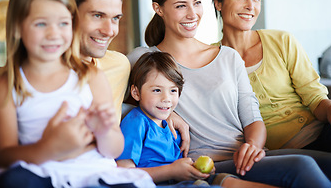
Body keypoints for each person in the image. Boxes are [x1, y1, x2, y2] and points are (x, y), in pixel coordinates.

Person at [126, 0, 331, 188]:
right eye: (180, 6)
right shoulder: (145, 58)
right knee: (302, 167)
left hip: (246, 154)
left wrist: (253, 145)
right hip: (206, 164)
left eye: (197, 2)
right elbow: (114, 100)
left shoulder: (227, 56)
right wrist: (169, 113)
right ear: (159, 8)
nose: (192, 14)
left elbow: (253, 118)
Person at [0, 0, 154, 188]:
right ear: (18, 27)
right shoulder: (8, 83)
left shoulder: (96, 74)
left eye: (63, 23)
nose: (53, 34)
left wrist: (104, 131)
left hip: (93, 172)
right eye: (41, 24)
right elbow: (1, 155)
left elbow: (114, 146)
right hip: (42, 172)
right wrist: (51, 147)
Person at [212, 0, 331, 154]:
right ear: (218, 3)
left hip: (320, 132)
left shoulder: (282, 40)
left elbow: (314, 96)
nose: (250, 6)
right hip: (272, 153)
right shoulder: (208, 58)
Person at [65, 0, 190, 154]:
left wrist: (168, 113)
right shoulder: (36, 72)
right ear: (69, 13)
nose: (109, 31)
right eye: (98, 15)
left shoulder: (120, 65)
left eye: (115, 18)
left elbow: (145, 99)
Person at [118, 51, 275, 188]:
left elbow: (177, 167)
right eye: (157, 90)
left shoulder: (169, 126)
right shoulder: (136, 123)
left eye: (173, 91)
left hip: (181, 182)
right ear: (136, 92)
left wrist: (194, 169)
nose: (166, 98)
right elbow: (123, 173)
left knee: (223, 180)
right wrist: (171, 171)